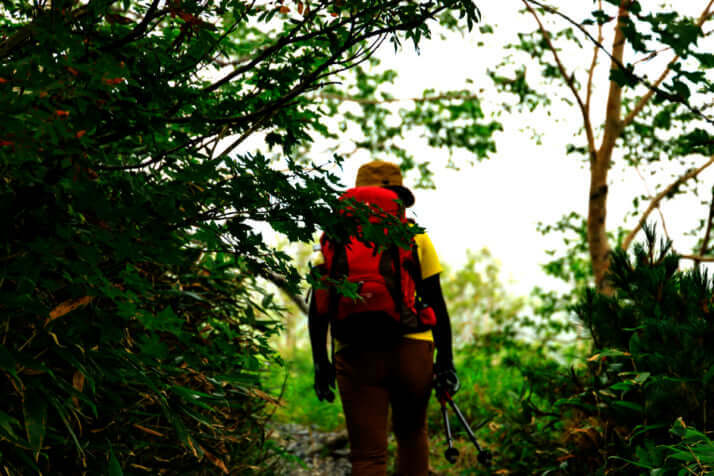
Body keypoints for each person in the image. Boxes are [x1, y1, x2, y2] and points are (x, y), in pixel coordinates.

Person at [308, 160, 460, 476]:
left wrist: (320, 362)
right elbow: (437, 305)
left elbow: (318, 309)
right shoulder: (414, 237)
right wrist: (445, 362)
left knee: (367, 455)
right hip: (412, 349)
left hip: (354, 349)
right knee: (411, 436)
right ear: (399, 197)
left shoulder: (333, 239)